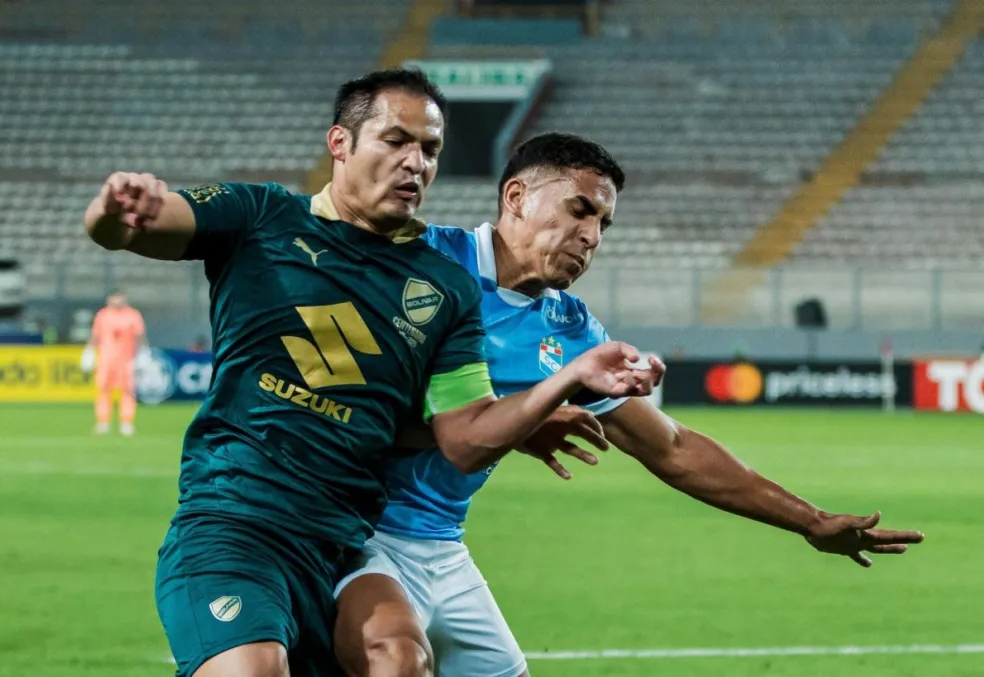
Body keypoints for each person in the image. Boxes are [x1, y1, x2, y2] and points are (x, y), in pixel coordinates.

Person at [83, 72, 657, 677]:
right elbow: (134, 228)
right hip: (235, 524)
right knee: (256, 670)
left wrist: (568, 379)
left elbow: (463, 438)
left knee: (401, 657)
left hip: (345, 545)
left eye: (430, 150)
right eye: (395, 141)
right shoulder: (263, 218)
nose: (415, 163)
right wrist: (114, 210)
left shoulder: (445, 285)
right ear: (340, 143)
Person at [333, 133, 926, 677]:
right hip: (354, 531)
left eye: (605, 224)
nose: (592, 236)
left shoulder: (569, 328)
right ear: (516, 197)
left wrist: (810, 520)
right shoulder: (419, 261)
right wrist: (520, 423)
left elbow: (672, 447)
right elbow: (340, 402)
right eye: (580, 210)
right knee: (396, 663)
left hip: (442, 544)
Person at [81, 291, 146, 436]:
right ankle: (103, 421)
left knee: (127, 390)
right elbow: (95, 335)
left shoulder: (133, 315)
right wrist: (89, 351)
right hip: (106, 359)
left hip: (126, 359)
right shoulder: (103, 315)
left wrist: (143, 353)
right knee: (103, 389)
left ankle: (126, 421)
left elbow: (139, 336)